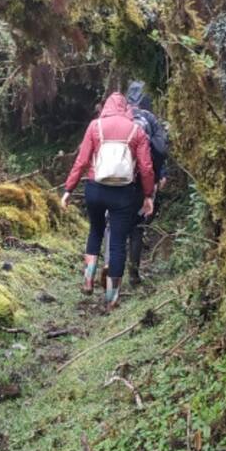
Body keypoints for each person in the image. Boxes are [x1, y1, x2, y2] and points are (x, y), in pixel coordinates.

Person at [60, 92, 155, 309]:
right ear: (125, 108)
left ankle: (87, 280)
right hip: (123, 193)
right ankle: (112, 298)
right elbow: (146, 168)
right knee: (118, 242)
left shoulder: (95, 127)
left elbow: (82, 160)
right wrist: (148, 195)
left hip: (95, 189)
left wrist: (69, 189)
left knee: (95, 230)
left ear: (106, 107)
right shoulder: (137, 130)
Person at [125, 80, 170, 287]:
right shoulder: (149, 118)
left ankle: (109, 267)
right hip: (142, 180)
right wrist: (161, 173)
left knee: (113, 225)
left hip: (113, 179)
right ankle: (133, 274)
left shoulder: (117, 117)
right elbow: (160, 149)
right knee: (137, 227)